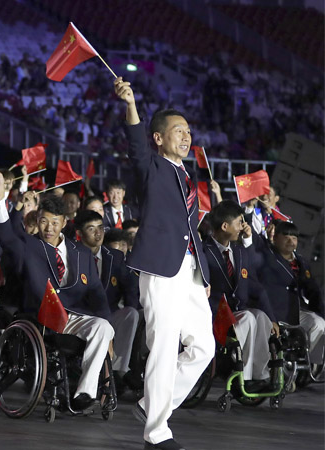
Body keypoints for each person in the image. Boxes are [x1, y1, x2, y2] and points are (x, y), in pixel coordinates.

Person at [115, 78, 214, 450]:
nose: (186, 137)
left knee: (204, 347)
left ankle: (151, 404)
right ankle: (156, 433)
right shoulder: (151, 167)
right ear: (159, 138)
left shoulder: (187, 176)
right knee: (163, 346)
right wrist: (131, 105)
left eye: (188, 132)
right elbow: (136, 146)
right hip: (159, 270)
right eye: (178, 131)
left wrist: (201, 273)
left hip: (189, 273)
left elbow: (191, 228)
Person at [0, 163, 114, 411]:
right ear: (38, 221)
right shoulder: (30, 246)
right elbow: (6, 236)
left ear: (64, 223)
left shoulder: (80, 253)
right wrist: (0, 195)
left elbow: (97, 294)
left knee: (103, 327)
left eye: (55, 222)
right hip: (41, 319)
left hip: (73, 316)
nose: (49, 228)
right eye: (44, 222)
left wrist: (110, 331)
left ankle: (84, 394)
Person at [203, 201, 278, 391]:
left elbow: (256, 285)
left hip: (237, 313)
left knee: (261, 317)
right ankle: (242, 376)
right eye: (239, 222)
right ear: (224, 226)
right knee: (249, 317)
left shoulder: (239, 251)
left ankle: (258, 376)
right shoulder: (204, 251)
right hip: (214, 315)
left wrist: (273, 319)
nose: (243, 227)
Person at [74, 210, 139, 391]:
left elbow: (130, 288)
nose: (98, 233)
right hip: (83, 317)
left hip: (109, 313)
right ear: (79, 233)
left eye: (101, 228)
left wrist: (131, 304)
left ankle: (119, 371)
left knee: (132, 314)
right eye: (91, 228)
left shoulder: (115, 256)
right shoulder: (73, 255)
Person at [258, 221, 324, 367]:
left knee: (318, 323)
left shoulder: (301, 262)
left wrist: (320, 312)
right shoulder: (267, 255)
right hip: (273, 311)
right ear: (275, 238)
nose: (290, 241)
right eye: (286, 236)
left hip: (296, 310)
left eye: (294, 238)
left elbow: (312, 290)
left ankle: (311, 365)